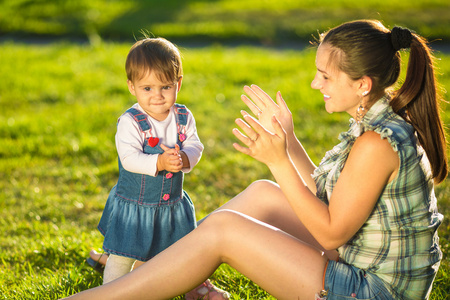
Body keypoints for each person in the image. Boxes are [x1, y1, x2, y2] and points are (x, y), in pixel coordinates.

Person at [62, 20, 448, 300]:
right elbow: (333, 197)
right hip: (362, 260)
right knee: (262, 194)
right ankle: (159, 262)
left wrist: (279, 160)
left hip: (374, 291)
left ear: (362, 84)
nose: (316, 85)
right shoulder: (376, 121)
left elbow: (332, 233)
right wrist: (290, 140)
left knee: (225, 230)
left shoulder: (377, 143)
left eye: (325, 77)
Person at [91, 36, 230, 299]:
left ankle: (194, 286)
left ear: (178, 83)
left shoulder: (183, 117)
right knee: (123, 255)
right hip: (136, 206)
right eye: (147, 88)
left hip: (171, 205)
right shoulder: (131, 122)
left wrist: (186, 158)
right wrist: (160, 162)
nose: (157, 96)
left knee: (182, 250)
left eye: (165, 87)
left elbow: (195, 145)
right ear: (132, 87)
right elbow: (129, 158)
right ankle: (112, 290)